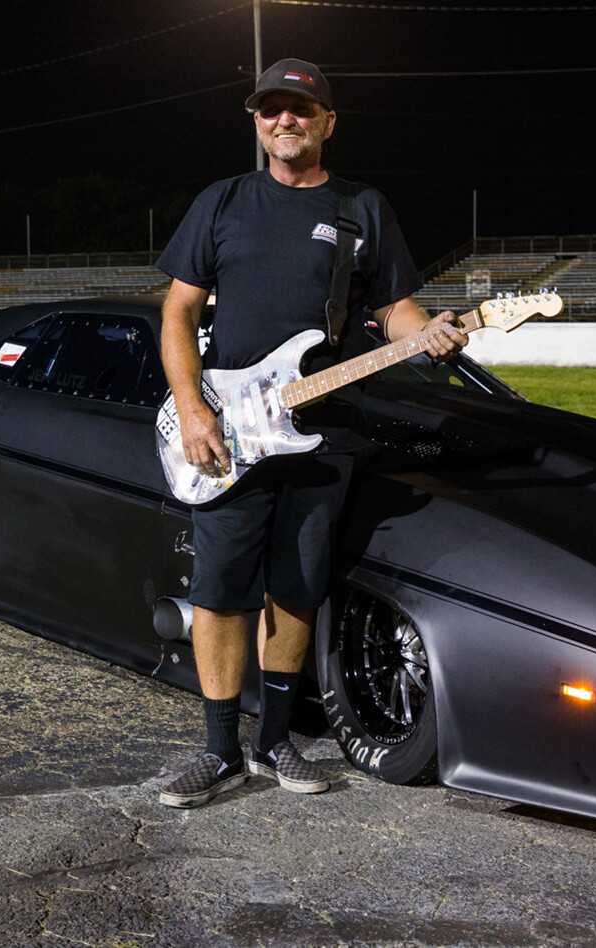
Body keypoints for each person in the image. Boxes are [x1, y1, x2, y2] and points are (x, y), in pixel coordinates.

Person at [154, 58, 467, 808]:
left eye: (301, 109)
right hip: (232, 428)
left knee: (296, 590)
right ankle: (219, 749)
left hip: (324, 432)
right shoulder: (223, 202)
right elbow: (177, 316)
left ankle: (273, 744)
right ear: (257, 121)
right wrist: (193, 409)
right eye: (271, 109)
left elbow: (394, 311)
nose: (284, 120)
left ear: (328, 122)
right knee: (222, 592)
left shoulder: (363, 210)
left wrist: (430, 332)